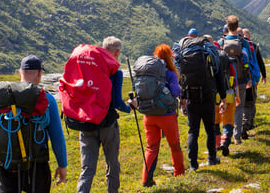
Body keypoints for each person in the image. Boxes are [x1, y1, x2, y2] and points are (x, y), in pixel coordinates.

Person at [0, 55, 68, 193]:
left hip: (6, 161)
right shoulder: (46, 99)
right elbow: (57, 137)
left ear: (20, 72)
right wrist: (62, 165)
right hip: (37, 162)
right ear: (39, 73)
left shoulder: (0, 97)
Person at [76, 36, 131, 193]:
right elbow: (116, 103)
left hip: (86, 122)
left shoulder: (87, 68)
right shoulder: (116, 72)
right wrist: (129, 108)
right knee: (112, 163)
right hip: (107, 124)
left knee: (87, 168)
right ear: (117, 52)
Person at [128, 44, 185, 187]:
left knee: (151, 147)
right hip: (167, 115)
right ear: (169, 56)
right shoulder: (170, 73)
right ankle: (179, 174)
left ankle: (146, 179)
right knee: (174, 145)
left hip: (149, 114)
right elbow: (176, 93)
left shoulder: (147, 73)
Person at [176, 28, 227, 170]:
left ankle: (193, 164)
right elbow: (219, 78)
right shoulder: (211, 54)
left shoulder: (186, 53)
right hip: (207, 97)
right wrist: (223, 98)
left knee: (193, 131)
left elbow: (182, 80)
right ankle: (212, 158)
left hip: (191, 98)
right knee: (210, 129)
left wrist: (182, 100)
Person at [218, 16, 260, 145]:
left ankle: (226, 136)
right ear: (237, 27)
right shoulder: (244, 43)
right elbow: (248, 62)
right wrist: (250, 78)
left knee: (226, 107)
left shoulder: (221, 42)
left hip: (225, 81)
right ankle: (237, 136)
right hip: (241, 79)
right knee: (239, 106)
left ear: (227, 26)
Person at [241, 29, 266, 138]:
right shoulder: (253, 46)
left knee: (241, 103)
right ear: (249, 36)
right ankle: (248, 124)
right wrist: (263, 75)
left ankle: (241, 125)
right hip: (252, 79)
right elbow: (260, 61)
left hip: (238, 79)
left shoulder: (237, 45)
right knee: (251, 101)